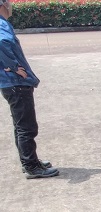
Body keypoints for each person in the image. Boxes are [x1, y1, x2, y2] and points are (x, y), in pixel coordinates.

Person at [0, 0, 57, 179]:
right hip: (16, 83)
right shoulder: (1, 24)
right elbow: (2, 42)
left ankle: (30, 161)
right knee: (27, 127)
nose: (10, 5)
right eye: (7, 2)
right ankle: (31, 166)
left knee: (20, 126)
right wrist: (14, 67)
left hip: (10, 84)